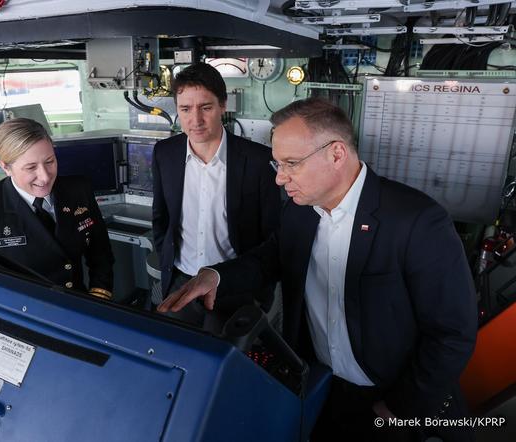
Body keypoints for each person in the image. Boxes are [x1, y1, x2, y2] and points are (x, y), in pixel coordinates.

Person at [158, 98, 477, 441]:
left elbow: (451, 334)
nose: (280, 179)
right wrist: (216, 276)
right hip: (321, 387)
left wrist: (400, 407)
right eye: (277, 164)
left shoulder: (417, 222)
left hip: (392, 399)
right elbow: (270, 258)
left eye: (291, 164)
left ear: (336, 154)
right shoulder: (300, 210)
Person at [151, 62, 281, 322]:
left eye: (206, 108)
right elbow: (161, 217)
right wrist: (168, 260)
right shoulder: (164, 153)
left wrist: (256, 292)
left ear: (223, 105)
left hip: (236, 287)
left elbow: (273, 237)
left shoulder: (258, 161)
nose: (195, 120)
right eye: (185, 109)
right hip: (181, 281)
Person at [0, 118, 114, 300]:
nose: (45, 177)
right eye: (31, 167)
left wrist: (98, 297)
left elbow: (100, 252)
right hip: (21, 311)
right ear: (6, 167)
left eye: (50, 161)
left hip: (75, 303)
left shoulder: (78, 190)